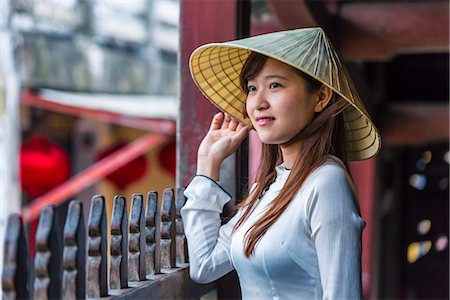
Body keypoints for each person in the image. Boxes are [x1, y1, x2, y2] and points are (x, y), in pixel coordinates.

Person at [181, 27, 381, 299]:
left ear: (320, 97)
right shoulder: (266, 190)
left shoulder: (326, 182)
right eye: (252, 88)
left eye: (275, 85)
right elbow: (204, 266)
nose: (258, 102)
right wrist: (207, 166)